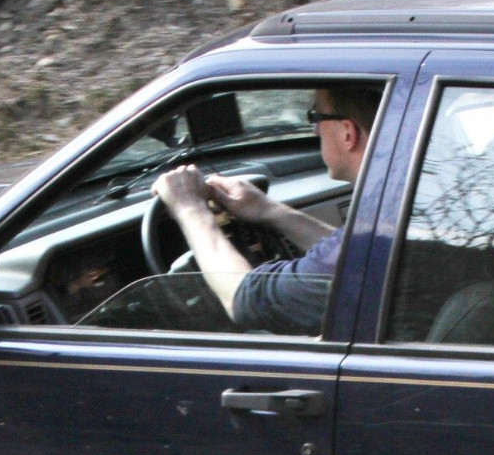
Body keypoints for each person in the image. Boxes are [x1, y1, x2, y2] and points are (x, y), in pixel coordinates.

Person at [151, 85, 380, 335]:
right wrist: (269, 211)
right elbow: (357, 259)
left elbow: (245, 299)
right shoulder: (402, 208)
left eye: (316, 117)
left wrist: (188, 209)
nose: (314, 129)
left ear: (348, 133)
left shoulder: (386, 219)